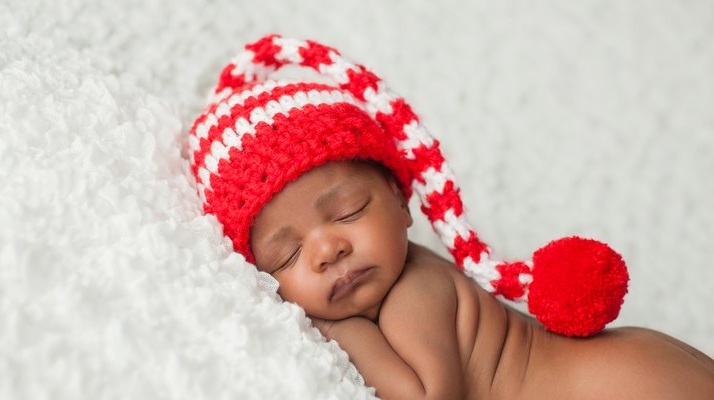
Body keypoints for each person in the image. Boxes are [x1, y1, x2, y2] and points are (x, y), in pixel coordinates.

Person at [190, 35, 714, 398]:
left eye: (348, 211)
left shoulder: (415, 291)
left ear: (401, 201)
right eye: (288, 254)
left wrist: (336, 331)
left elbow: (427, 394)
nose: (328, 249)